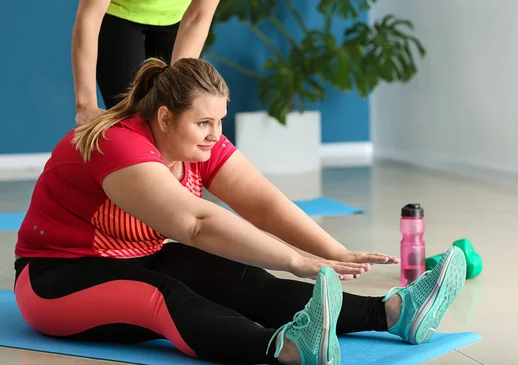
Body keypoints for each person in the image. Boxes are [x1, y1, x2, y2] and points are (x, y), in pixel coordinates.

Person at [13, 57, 467, 365]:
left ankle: (393, 314)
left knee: (242, 281)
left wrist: (336, 253)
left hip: (134, 257)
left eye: (220, 122)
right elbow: (196, 223)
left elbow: (264, 203)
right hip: (55, 279)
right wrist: (297, 260)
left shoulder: (194, 141)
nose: (214, 134)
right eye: (204, 122)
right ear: (166, 116)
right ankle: (288, 350)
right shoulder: (118, 144)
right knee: (163, 296)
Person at [72, 0, 220, 126]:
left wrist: (178, 92)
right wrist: (85, 106)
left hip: (180, 16)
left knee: (176, 111)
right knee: (131, 118)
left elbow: (198, 16)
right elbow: (90, 16)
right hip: (119, 12)